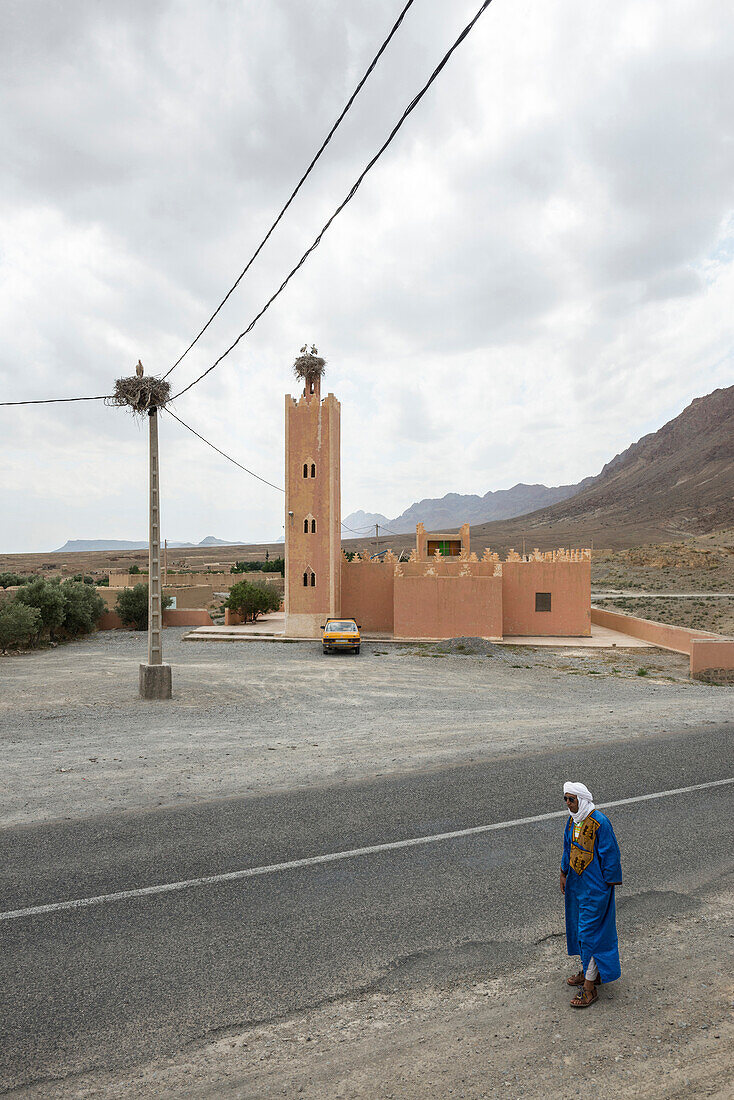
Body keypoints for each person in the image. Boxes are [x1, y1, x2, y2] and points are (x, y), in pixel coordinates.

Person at [560, 781, 622, 1008]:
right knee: (579, 929)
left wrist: (607, 888)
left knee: (589, 933)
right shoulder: (572, 821)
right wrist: (563, 872)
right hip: (577, 886)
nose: (568, 803)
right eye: (565, 799)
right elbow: (568, 848)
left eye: (571, 799)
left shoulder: (600, 823)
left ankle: (588, 988)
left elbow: (611, 855)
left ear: (582, 800)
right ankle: (590, 972)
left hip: (596, 889)